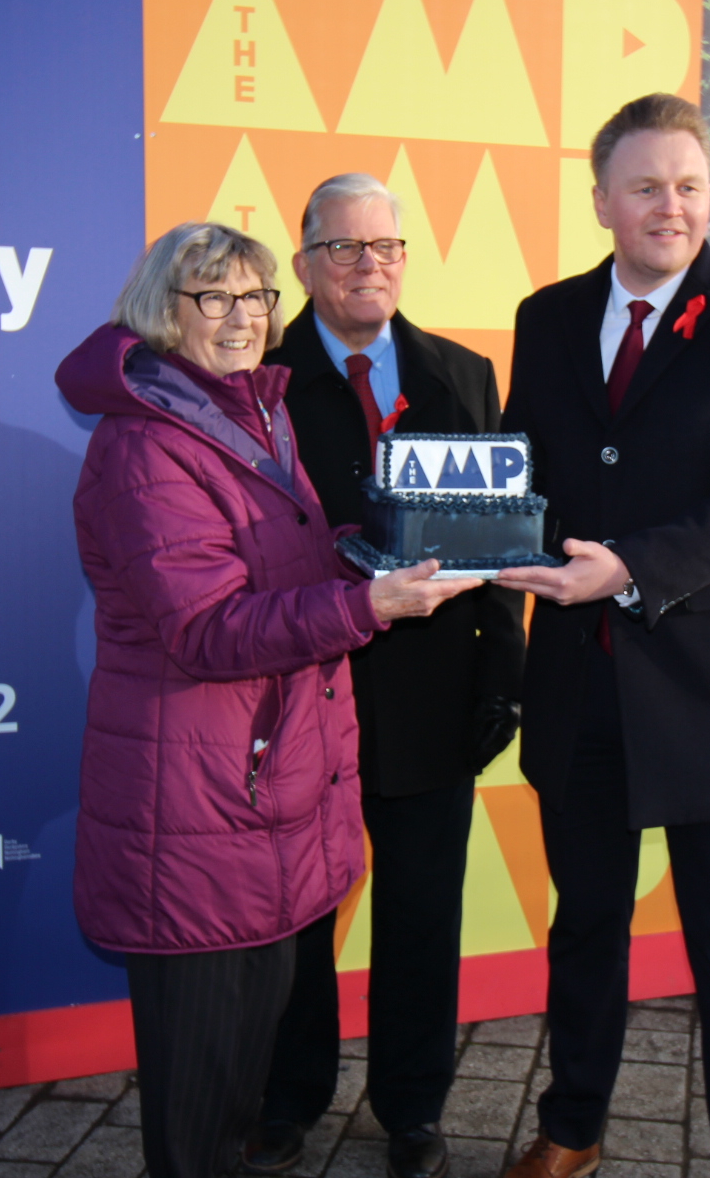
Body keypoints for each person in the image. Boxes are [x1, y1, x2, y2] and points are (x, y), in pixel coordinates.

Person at [53, 222, 478, 1178]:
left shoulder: (249, 412)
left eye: (254, 298)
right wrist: (369, 603)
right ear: (165, 312)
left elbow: (280, 564)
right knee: (202, 1113)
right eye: (214, 298)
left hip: (253, 801)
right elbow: (205, 630)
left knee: (238, 1089)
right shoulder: (146, 447)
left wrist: (368, 553)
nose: (242, 318)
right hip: (195, 812)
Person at [495, 93, 710, 1178]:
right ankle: (572, 1127)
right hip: (577, 686)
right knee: (584, 929)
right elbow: (520, 475)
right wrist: (466, 532)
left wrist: (626, 568)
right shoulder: (545, 317)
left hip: (705, 690)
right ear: (602, 200)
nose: (670, 206)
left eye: (688, 184)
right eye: (646, 186)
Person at [245, 176, 526, 1178]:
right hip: (303, 692)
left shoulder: (463, 374)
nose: (370, 266)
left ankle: (412, 1107)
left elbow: (496, 544)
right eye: (346, 248)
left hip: (433, 698)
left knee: (420, 911)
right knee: (298, 918)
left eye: (387, 247)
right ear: (306, 260)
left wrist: (505, 668)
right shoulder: (261, 385)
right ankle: (290, 1096)